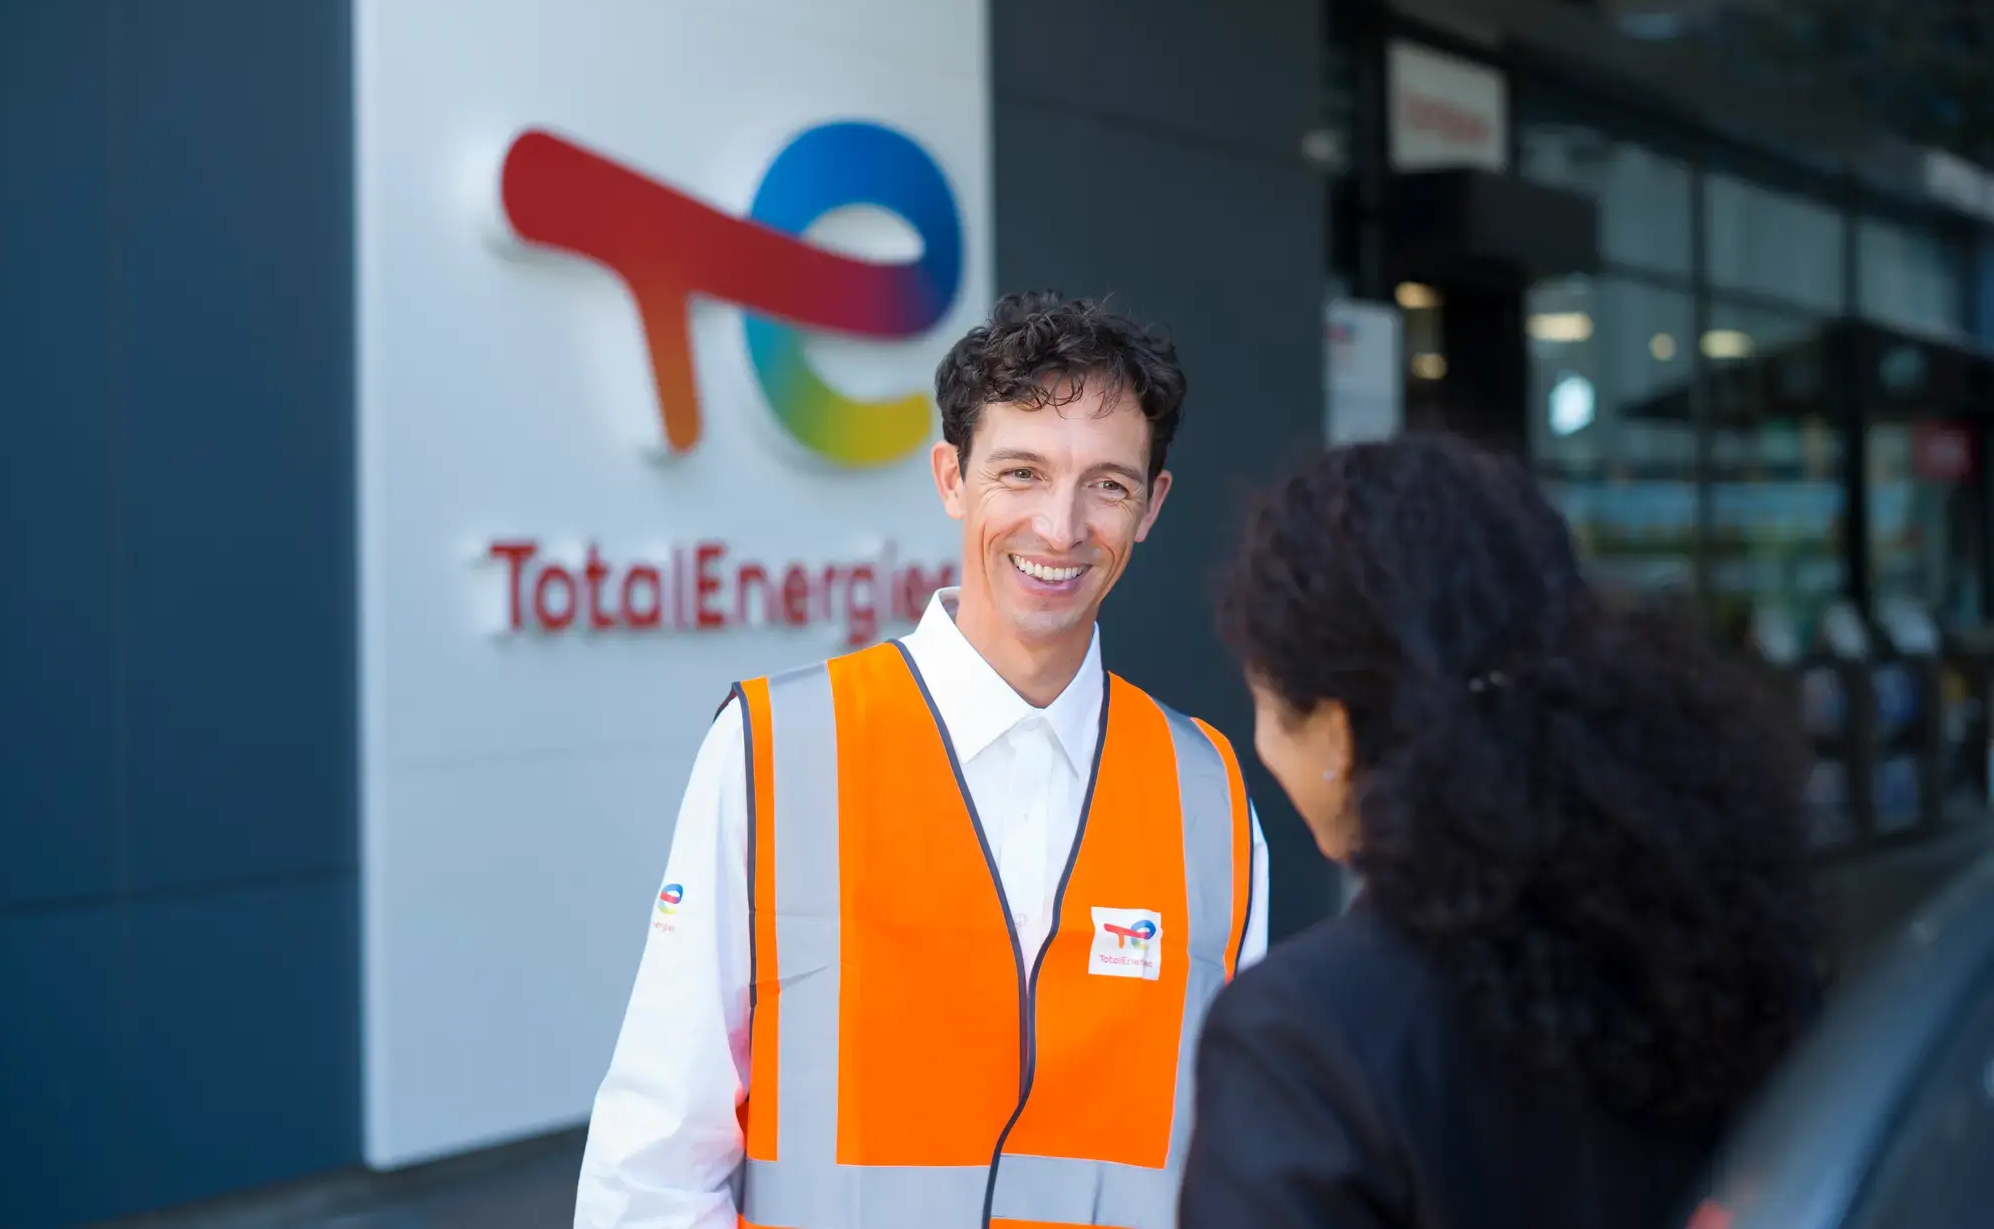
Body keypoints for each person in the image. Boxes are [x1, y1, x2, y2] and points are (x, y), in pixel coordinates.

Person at [575, 290, 1271, 1229]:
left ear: (1151, 506)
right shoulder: (774, 752)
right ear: (951, 478)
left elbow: (1234, 1162)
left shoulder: (1209, 797)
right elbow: (653, 1164)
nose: (1060, 529)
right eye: (1020, 472)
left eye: (1105, 484)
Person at [1179, 433, 1822, 1229]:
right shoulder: (1719, 948)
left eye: (1268, 704)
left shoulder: (1303, 1038)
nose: (1261, 740)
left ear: (1339, 734)